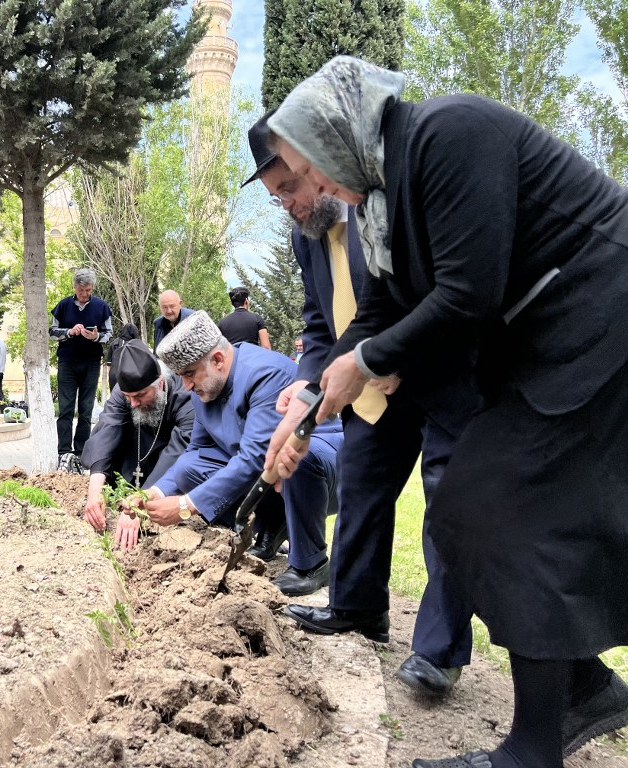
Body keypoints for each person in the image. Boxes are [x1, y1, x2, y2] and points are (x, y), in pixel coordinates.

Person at [267, 55, 628, 767]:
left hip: (599, 321)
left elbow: (468, 294)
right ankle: (582, 688)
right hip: (551, 346)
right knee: (473, 508)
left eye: (309, 170)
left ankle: (535, 745)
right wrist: (310, 399)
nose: (314, 188)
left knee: (499, 502)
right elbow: (381, 310)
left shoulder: (447, 133)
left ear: (340, 129)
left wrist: (367, 363)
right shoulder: (382, 199)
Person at [244, 110, 478, 695]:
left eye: (291, 187)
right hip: (366, 388)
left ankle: (438, 649)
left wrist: (393, 356)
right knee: (361, 485)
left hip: (434, 373)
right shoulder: (307, 242)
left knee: (448, 504)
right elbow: (319, 326)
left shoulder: (381, 205)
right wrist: (307, 383)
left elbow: (427, 290)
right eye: (278, 198)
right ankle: (357, 606)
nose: (292, 205)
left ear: (315, 165)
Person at [116, 310, 343, 597]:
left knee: (293, 455)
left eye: (189, 374)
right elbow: (196, 452)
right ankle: (270, 526)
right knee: (189, 470)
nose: (185, 386)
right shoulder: (205, 387)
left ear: (218, 360)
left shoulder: (265, 375)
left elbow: (254, 459)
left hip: (322, 465)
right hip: (269, 476)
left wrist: (185, 506)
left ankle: (311, 563)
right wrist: (156, 492)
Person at [82, 339, 196, 530]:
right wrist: (94, 492)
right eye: (128, 397)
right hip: (133, 460)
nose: (133, 403)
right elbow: (108, 428)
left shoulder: (184, 395)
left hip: (166, 468)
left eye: (140, 396)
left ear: (160, 383)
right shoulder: (126, 391)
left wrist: (141, 504)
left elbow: (180, 449)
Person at [49, 268, 113, 462]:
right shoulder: (63, 305)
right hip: (67, 363)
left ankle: (81, 452)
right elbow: (52, 332)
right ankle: (64, 452)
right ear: (75, 287)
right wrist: (69, 332)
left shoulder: (102, 307)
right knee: (66, 409)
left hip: (91, 363)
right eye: (81, 290)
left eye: (88, 290)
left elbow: (108, 333)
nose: (85, 294)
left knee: (86, 410)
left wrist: (96, 337)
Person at [107, 323, 140, 392]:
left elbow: (109, 364)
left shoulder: (114, 343)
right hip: (129, 377)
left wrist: (110, 377)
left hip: (113, 376)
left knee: (115, 399)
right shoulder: (136, 344)